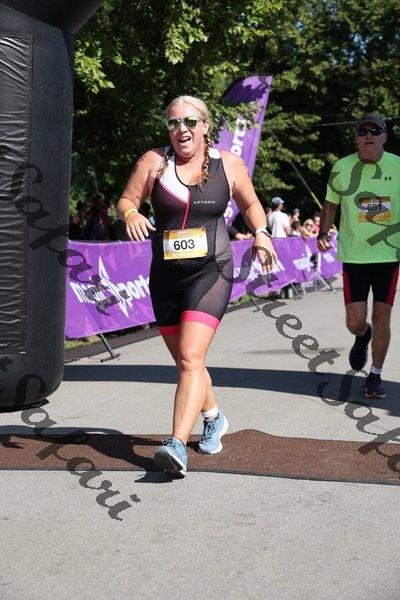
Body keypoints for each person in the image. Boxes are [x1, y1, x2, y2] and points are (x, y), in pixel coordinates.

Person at [117, 95, 277, 477]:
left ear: (205, 126)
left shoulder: (228, 164)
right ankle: (214, 417)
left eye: (190, 122)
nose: (182, 130)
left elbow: (251, 204)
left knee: (190, 357)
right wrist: (131, 213)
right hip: (166, 277)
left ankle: (176, 444)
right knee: (188, 361)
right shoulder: (154, 162)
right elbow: (126, 200)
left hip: (211, 271)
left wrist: (261, 233)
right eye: (173, 123)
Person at [317, 112, 400, 399]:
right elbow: (331, 205)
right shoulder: (342, 167)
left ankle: (375, 376)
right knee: (355, 321)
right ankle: (362, 335)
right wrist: (323, 232)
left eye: (374, 131)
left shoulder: (397, 166)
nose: (368, 136)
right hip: (354, 257)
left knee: (382, 317)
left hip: (388, 256)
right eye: (362, 131)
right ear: (356, 138)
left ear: (384, 137)